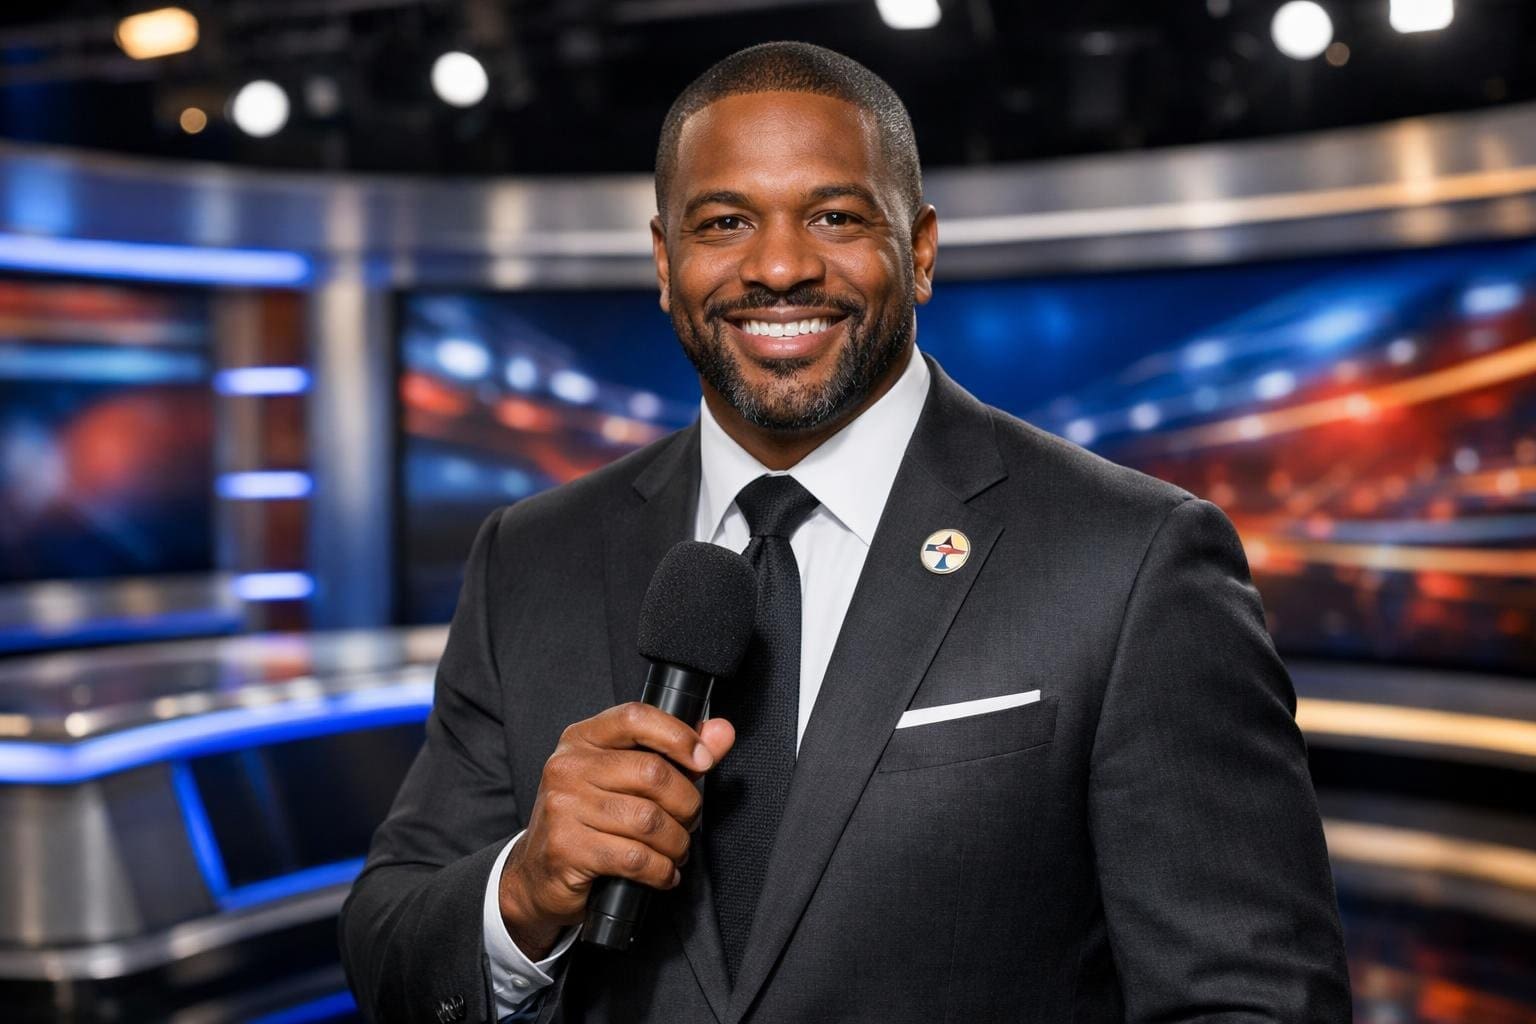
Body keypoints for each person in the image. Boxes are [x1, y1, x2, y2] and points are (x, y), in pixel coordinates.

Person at [340, 41, 1351, 1024]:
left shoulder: (1133, 558)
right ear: (664, 260)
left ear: (917, 251)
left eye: (833, 214)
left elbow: (1252, 995)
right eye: (727, 220)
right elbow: (388, 944)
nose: (779, 266)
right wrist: (526, 889)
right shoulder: (533, 554)